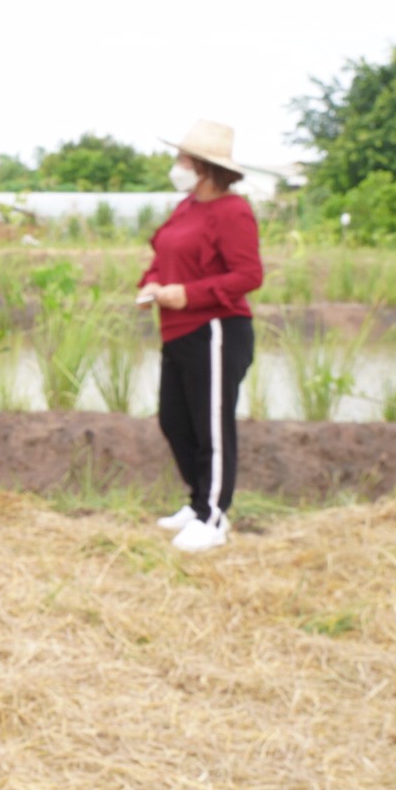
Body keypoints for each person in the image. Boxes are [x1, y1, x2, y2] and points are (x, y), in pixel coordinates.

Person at [138, 119, 263, 552]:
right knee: (174, 420)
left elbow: (248, 275)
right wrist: (153, 283)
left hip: (215, 332)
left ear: (205, 168)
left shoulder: (233, 212)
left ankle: (213, 516)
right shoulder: (186, 207)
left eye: (182, 160)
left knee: (212, 425)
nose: (177, 167)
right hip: (176, 330)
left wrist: (188, 294)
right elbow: (162, 254)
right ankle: (197, 501)